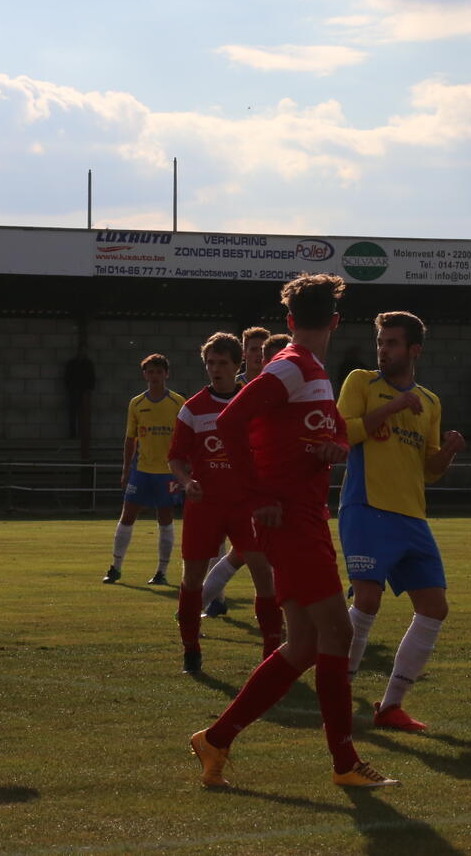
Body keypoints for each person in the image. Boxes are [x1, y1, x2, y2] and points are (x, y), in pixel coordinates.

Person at [189, 274, 398, 790]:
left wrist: (331, 448)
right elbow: (230, 420)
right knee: (338, 634)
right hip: (290, 518)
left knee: (303, 644)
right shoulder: (292, 365)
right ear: (335, 321)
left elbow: (323, 434)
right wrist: (259, 497)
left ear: (289, 320)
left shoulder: (312, 373)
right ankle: (345, 762)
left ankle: (216, 738)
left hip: (301, 513)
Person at [338, 311, 466, 732]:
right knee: (368, 599)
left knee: (434, 607)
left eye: (392, 343)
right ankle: (337, 695)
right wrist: (392, 407)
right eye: (380, 342)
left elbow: (429, 470)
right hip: (367, 508)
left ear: (414, 351)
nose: (383, 350)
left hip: (412, 515)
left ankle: (391, 706)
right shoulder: (361, 382)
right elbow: (343, 433)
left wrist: (447, 452)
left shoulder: (430, 402)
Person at [168, 332, 280, 672]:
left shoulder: (253, 403)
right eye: (210, 363)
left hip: (246, 505)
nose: (215, 369)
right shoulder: (192, 409)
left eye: (222, 363)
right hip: (205, 506)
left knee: (263, 573)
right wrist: (187, 482)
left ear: (237, 364)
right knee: (192, 579)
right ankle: (191, 648)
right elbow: (175, 458)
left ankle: (271, 654)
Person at [201, 326, 275, 617]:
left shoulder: (277, 385)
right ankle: (213, 601)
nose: (259, 355)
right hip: (231, 479)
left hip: (263, 478)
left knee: (252, 552)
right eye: (254, 349)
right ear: (244, 354)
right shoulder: (233, 388)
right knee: (233, 548)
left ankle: (199, 604)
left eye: (263, 350)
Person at [102, 354, 185, 586]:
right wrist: (126, 469)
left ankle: (161, 571)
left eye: (159, 372)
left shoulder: (178, 402)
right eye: (151, 372)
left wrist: (184, 467)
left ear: (166, 374)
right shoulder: (136, 403)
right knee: (127, 516)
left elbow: (186, 436)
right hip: (142, 470)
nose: (155, 376)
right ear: (144, 375)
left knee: (165, 519)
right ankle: (115, 567)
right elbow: (131, 439)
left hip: (167, 471)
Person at [63, 346, 96, 440]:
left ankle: (82, 434)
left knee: (83, 414)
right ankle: (73, 435)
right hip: (74, 391)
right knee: (73, 414)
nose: (82, 353)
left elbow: (92, 377)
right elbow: (67, 377)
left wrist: (89, 390)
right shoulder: (72, 363)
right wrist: (70, 389)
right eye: (81, 351)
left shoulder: (87, 363)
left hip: (84, 392)